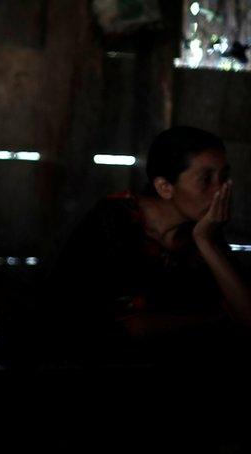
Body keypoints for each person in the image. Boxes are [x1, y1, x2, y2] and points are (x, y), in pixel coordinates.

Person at [47, 126, 251, 364]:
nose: (220, 191)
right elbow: (124, 327)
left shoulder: (206, 229)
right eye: (206, 179)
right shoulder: (115, 220)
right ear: (165, 187)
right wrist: (213, 315)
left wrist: (205, 240)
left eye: (224, 177)